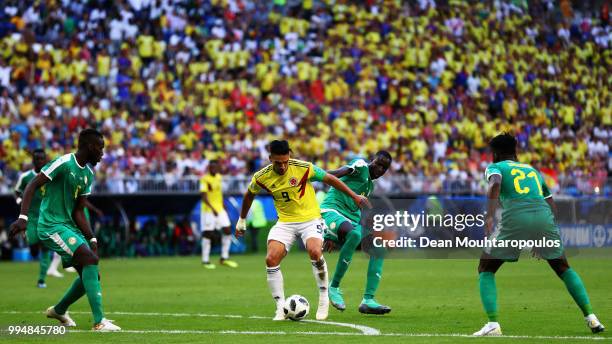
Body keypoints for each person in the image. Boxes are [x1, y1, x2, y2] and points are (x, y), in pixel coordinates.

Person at [473, 133, 605, 336]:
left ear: (497, 153)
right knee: (563, 267)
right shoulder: (533, 171)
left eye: (492, 153)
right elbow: (550, 201)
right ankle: (592, 317)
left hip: (516, 217)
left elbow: (496, 184)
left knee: (485, 267)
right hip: (543, 216)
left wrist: (489, 215)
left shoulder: (495, 167)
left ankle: (492, 324)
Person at [235, 140, 371, 321]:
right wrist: (241, 220)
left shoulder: (304, 168)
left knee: (314, 251)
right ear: (270, 159)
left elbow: (330, 179)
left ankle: (323, 298)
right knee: (271, 258)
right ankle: (280, 308)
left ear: (289, 156)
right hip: (285, 222)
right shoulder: (262, 176)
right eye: (278, 163)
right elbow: (249, 194)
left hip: (310, 219)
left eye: (285, 161)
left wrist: (354, 196)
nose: (283, 166)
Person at [9, 128, 121, 331]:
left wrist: (92, 238)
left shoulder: (87, 174)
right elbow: (32, 185)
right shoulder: (63, 163)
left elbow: (79, 211)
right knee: (89, 261)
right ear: (89, 146)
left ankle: (59, 310)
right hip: (50, 225)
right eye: (100, 148)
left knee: (92, 274)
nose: (102, 153)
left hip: (67, 226)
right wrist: (23, 218)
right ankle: (99, 321)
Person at [321, 151, 393, 314]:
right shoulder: (360, 166)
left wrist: (336, 234)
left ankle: (368, 300)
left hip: (347, 220)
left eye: (384, 168)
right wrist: (315, 174)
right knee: (355, 234)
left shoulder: (369, 186)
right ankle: (333, 287)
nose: (380, 169)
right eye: (378, 163)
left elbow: (355, 209)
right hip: (331, 211)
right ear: (372, 160)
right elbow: (335, 175)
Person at [14, 148, 54, 287]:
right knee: (33, 245)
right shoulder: (25, 177)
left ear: (45, 160)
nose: (40, 161)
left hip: (46, 216)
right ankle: (32, 246)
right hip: (30, 216)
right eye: (37, 159)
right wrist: (19, 200)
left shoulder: (51, 175)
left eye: (42, 159)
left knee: (45, 247)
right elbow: (17, 191)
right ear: (33, 160)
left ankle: (41, 279)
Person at [200, 160, 238, 269]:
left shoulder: (219, 177)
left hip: (219, 209)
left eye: (215, 167)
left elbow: (218, 193)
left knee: (227, 230)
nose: (213, 168)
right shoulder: (204, 179)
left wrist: (223, 205)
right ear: (208, 167)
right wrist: (212, 208)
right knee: (208, 233)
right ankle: (205, 260)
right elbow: (203, 196)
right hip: (208, 210)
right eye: (211, 167)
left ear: (217, 167)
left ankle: (224, 258)